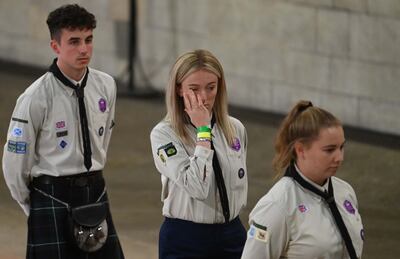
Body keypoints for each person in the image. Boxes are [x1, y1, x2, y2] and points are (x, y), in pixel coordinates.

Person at [2, 4, 124, 259]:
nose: (84, 49)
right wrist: (34, 205)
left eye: (89, 40)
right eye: (74, 41)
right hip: (51, 194)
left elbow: (103, 138)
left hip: (95, 190)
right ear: (55, 46)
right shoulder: (35, 97)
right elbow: (14, 163)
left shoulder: (106, 85)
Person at [150, 49, 248, 259]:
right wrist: (203, 131)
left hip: (232, 234)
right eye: (194, 89)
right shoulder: (164, 134)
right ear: (178, 89)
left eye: (211, 87)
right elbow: (197, 187)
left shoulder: (235, 129)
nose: (203, 97)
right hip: (186, 239)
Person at [241, 100, 364, 259]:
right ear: (301, 150)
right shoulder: (277, 206)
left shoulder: (344, 192)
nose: (339, 157)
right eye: (329, 150)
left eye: (341, 147)